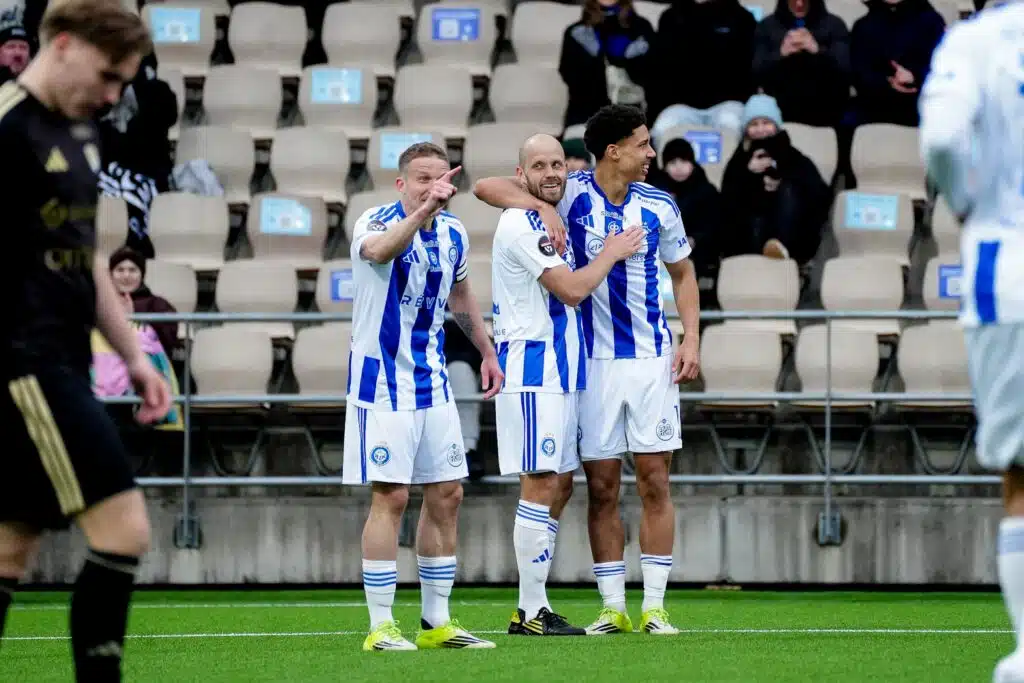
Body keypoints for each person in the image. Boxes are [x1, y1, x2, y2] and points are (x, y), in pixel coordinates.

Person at [474, 104, 701, 636]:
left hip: (650, 360)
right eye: (643, 144)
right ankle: (612, 607)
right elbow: (487, 186)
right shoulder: (570, 192)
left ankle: (656, 608)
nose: (651, 154)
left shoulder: (660, 206)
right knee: (598, 486)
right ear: (613, 150)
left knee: (655, 480)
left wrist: (692, 336)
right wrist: (542, 207)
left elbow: (684, 272)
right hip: (591, 364)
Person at [0, 2, 172, 682]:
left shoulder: (81, 132)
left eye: (123, 84)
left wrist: (132, 354)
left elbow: (87, 256)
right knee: (125, 528)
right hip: (22, 364)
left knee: (11, 547)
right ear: (63, 45)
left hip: (64, 357)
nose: (111, 96)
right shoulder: (7, 128)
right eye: (107, 77)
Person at [342, 142, 502, 652]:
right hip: (381, 383)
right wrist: (424, 210)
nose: (433, 186)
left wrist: (487, 350)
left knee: (448, 494)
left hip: (432, 382)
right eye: (421, 178)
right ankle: (381, 626)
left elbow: (460, 296)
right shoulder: (374, 221)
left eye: (441, 177)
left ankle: (436, 622)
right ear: (401, 184)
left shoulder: (453, 233)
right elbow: (379, 252)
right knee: (391, 495)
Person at [494, 134, 645, 637]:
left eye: (558, 162)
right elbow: (574, 290)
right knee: (540, 484)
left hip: (563, 373)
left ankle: (531, 607)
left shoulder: (541, 213)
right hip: (536, 372)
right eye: (538, 165)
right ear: (523, 175)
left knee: (558, 484)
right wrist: (613, 251)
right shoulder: (522, 223)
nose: (552, 171)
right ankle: (530, 610)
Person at [919, 6, 1024, 682]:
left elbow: (945, 142)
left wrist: (970, 204)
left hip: (1009, 269)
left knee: (1021, 471)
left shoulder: (978, 40)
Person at [559, 0, 655, 127]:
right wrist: (597, 58)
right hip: (584, 116)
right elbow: (570, 77)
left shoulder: (641, 28)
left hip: (631, 115)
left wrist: (627, 58)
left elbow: (654, 76)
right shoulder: (577, 33)